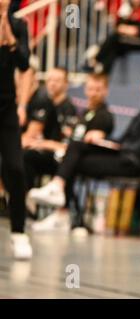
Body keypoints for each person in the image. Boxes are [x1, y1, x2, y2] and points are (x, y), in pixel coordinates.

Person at [27, 51, 140, 228]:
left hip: (132, 164)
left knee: (72, 158)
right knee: (76, 147)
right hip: (120, 154)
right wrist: (102, 141)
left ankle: (61, 206)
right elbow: (122, 141)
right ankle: (59, 196)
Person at [0, 0, 33, 259]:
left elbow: (23, 63)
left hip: (7, 110)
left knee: (15, 168)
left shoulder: (20, 25)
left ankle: (19, 232)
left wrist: (9, 36)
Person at [22, 67, 77, 191]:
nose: (52, 83)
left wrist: (43, 143)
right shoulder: (44, 103)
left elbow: (68, 145)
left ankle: (26, 198)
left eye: (57, 80)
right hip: (42, 152)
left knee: (26, 156)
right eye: (50, 80)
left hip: (59, 159)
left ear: (66, 84)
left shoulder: (69, 109)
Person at [86, 0, 140, 74]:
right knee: (113, 50)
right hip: (127, 41)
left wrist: (124, 28)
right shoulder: (129, 10)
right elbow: (118, 26)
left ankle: (96, 60)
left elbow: (137, 31)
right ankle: (104, 70)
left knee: (114, 38)